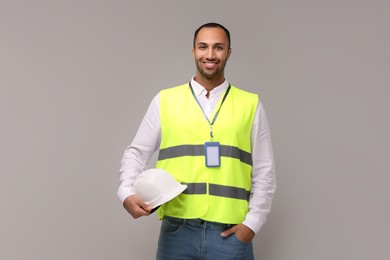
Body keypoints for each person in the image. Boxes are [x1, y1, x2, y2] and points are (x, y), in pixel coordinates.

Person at [117, 22, 276, 260]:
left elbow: (265, 171)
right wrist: (126, 192)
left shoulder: (250, 104)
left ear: (229, 52)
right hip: (177, 233)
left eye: (218, 47)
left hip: (231, 235)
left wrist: (252, 224)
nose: (210, 54)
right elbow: (136, 152)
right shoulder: (165, 100)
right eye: (203, 47)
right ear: (193, 51)